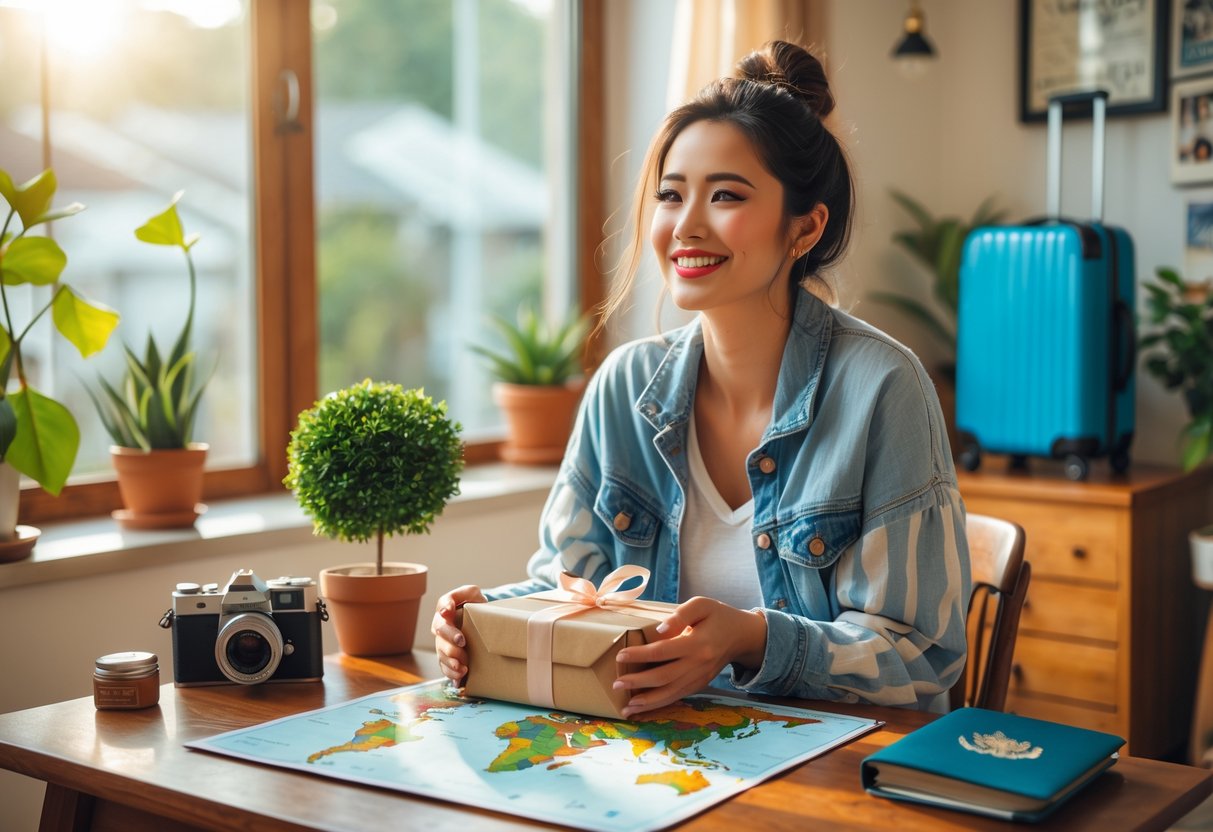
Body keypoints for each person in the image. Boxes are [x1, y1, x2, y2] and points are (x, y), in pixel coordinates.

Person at [432, 40, 971, 718]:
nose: (685, 225)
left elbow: (921, 659)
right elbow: (569, 591)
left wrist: (749, 638)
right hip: (658, 760)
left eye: (725, 195)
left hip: (825, 773)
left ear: (803, 228)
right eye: (669, 195)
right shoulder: (623, 387)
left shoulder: (881, 388)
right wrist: (486, 617)